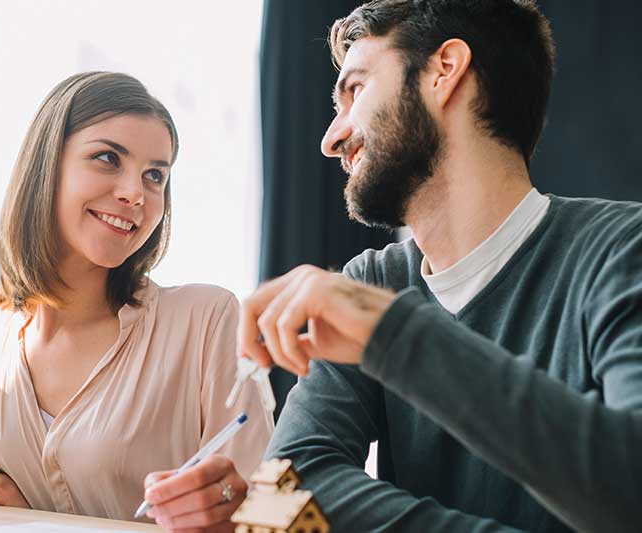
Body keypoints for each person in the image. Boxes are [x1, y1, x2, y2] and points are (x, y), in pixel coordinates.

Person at [238, 1, 642, 532]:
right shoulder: (371, 282)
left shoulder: (624, 250)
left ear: (444, 71)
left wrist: (389, 332)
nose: (330, 138)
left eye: (355, 90)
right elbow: (281, 495)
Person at [0, 72, 273, 531]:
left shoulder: (205, 321)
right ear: (46, 165)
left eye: (155, 176)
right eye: (108, 158)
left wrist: (237, 510)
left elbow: (269, 505)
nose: (135, 193)